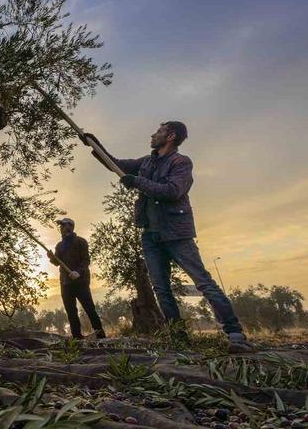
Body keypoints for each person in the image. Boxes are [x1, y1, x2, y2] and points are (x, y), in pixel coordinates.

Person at [85, 121, 254, 353]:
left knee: (203, 282)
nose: (153, 135)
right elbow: (117, 165)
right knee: (161, 289)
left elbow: (172, 191)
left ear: (171, 136)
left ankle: (235, 334)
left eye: (159, 131)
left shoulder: (181, 162)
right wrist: (95, 145)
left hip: (176, 234)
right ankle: (179, 339)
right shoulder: (147, 161)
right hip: (150, 235)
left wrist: (136, 181)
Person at [47, 218, 106, 339]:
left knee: (89, 309)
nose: (62, 228)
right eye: (61, 226)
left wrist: (78, 272)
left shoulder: (81, 242)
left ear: (71, 227)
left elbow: (86, 260)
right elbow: (57, 262)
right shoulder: (60, 246)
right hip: (65, 283)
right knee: (71, 312)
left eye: (64, 225)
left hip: (81, 282)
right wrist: (51, 257)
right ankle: (77, 338)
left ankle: (101, 336)